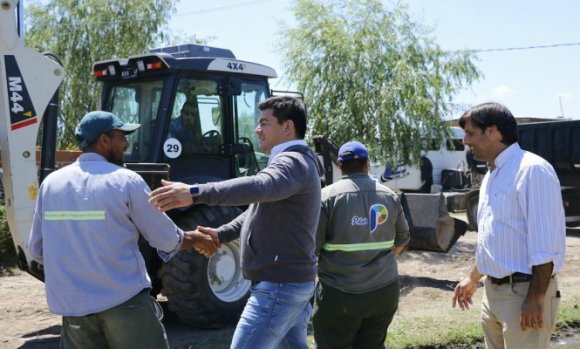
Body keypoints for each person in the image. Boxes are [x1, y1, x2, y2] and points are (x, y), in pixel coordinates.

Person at [28, 111, 218, 349]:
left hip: (74, 309)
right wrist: (197, 237)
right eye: (121, 137)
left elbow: (36, 250)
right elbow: (167, 238)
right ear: (104, 141)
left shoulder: (50, 185)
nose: (127, 143)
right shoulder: (126, 181)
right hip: (124, 304)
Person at [149, 96, 324, 349]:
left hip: (279, 287)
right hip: (288, 283)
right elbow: (258, 208)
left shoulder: (292, 163)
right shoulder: (293, 163)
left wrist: (194, 192)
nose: (257, 129)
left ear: (287, 127)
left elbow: (258, 187)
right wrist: (222, 234)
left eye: (264, 123)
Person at [451, 102, 566, 349]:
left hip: (524, 293)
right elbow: (495, 237)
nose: (465, 142)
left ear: (492, 132)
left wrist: (536, 298)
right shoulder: (492, 175)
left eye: (470, 133)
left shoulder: (532, 170)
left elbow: (544, 244)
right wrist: (472, 278)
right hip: (492, 293)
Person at [313, 140, 410, 349]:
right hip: (384, 293)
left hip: (339, 295)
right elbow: (403, 238)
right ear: (367, 164)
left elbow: (312, 247)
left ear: (339, 165)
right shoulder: (390, 196)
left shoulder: (326, 197)